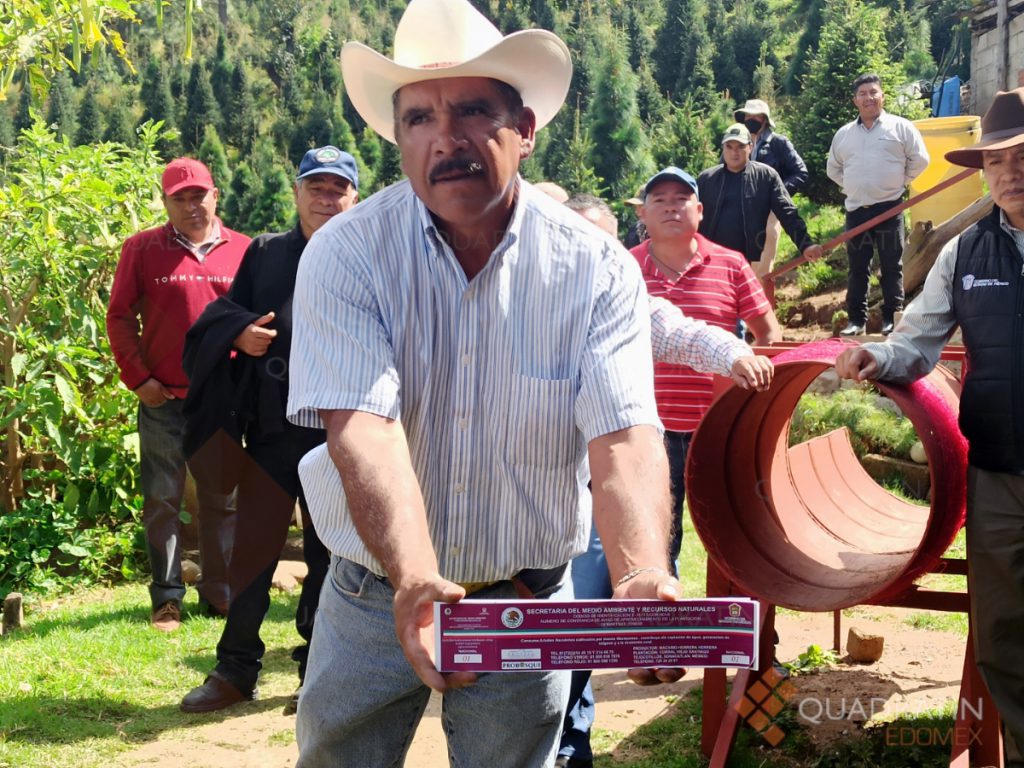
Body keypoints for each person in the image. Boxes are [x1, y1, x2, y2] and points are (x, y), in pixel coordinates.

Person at [286, 1, 683, 765]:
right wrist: (413, 575)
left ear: (525, 129)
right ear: (397, 138)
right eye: (419, 119)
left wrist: (638, 571)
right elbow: (363, 427)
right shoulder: (346, 254)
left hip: (526, 600)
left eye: (473, 110)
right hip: (373, 596)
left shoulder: (594, 269)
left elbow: (624, 437)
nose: (447, 139)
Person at [835, 86, 1024, 768]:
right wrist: (874, 354)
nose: (1009, 172)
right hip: (999, 475)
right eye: (995, 160)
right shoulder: (964, 254)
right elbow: (916, 341)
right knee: (1003, 634)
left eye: (1022, 155)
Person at [558, 193, 774, 768]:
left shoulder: (616, 301)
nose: (589, 259)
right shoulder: (519, 302)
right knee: (563, 619)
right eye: (575, 243)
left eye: (602, 248)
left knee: (588, 605)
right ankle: (560, 739)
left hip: (608, 481)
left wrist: (732, 351)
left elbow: (677, 330)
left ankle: (569, 745)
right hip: (535, 501)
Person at [178, 147, 360, 714]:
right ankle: (235, 670)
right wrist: (239, 336)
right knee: (253, 554)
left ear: (354, 196)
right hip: (275, 429)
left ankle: (318, 672)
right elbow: (222, 314)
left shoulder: (368, 254)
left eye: (337, 189)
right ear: (297, 192)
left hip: (343, 433)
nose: (326, 199)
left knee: (332, 556)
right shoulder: (267, 252)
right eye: (316, 187)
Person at [107, 158, 249, 632]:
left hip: (220, 399)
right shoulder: (142, 249)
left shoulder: (245, 251)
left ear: (215, 195)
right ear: (166, 202)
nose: (191, 205)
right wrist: (139, 379)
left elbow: (255, 321)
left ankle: (219, 590)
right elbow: (120, 317)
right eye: (179, 198)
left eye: (198, 195)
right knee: (163, 501)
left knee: (221, 499)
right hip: (163, 399)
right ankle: (167, 598)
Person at [633, 166, 781, 576]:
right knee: (655, 539)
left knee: (735, 531)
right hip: (648, 428)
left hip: (719, 426)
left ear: (699, 210)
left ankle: (741, 623)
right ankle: (659, 626)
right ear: (641, 215)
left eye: (681, 200)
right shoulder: (624, 270)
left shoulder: (731, 264)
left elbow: (767, 334)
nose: (670, 208)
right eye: (658, 200)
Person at [827, 73, 929, 336]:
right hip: (856, 212)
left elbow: (920, 160)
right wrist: (851, 187)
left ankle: (892, 318)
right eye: (863, 94)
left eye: (873, 92)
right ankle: (856, 321)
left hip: (889, 209)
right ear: (855, 101)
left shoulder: (900, 127)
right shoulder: (844, 135)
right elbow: (834, 169)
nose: (868, 98)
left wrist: (898, 183)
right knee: (858, 267)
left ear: (882, 96)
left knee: (892, 265)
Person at [697, 123, 823, 296]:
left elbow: (787, 212)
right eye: (729, 146)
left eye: (741, 146)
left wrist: (805, 244)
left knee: (742, 305)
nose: (735, 152)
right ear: (723, 148)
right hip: (712, 259)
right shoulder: (706, 179)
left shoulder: (766, 176)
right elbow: (692, 217)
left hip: (749, 259)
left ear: (751, 146)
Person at [733, 98, 809, 284]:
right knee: (739, 269)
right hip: (739, 214)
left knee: (762, 269)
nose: (750, 119)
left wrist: (776, 195)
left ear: (764, 119)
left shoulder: (778, 143)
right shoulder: (737, 144)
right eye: (747, 116)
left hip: (769, 215)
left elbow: (800, 172)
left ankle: (760, 311)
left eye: (755, 116)